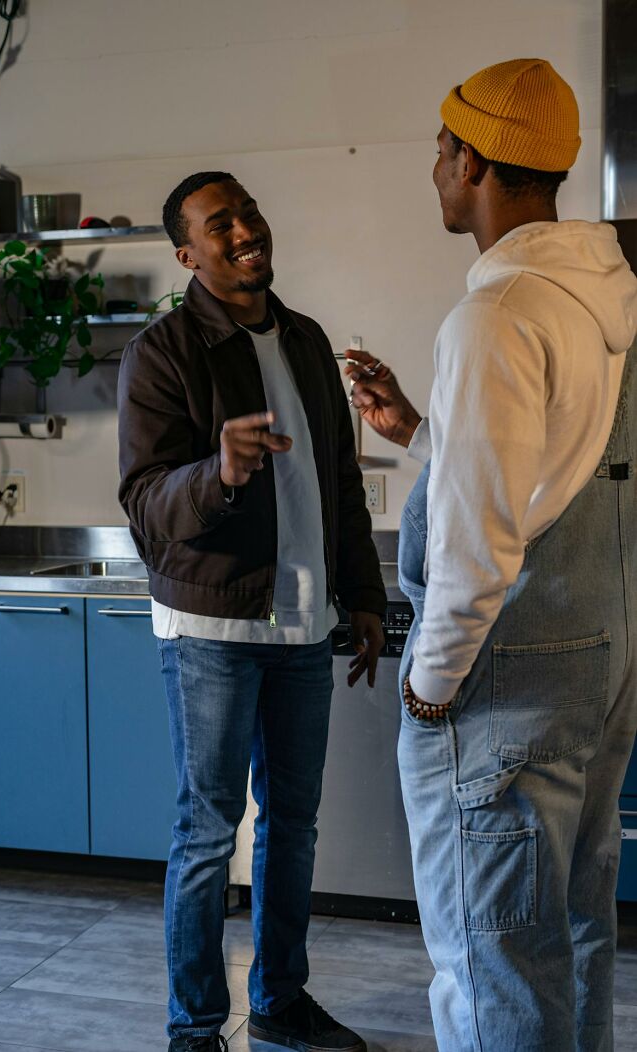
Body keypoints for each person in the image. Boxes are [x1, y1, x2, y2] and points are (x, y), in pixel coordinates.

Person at [348, 58, 637, 1051]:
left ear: (468, 161)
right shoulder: (605, 293)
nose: (434, 169)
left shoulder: (496, 312)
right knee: (574, 929)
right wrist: (421, 432)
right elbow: (555, 467)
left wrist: (428, 694)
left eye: (439, 151)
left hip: (503, 687)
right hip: (599, 665)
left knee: (491, 959)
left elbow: (477, 544)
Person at [117, 171, 386, 1052]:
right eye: (218, 223)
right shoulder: (162, 352)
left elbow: (337, 481)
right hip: (213, 633)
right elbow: (145, 501)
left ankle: (277, 1002)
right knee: (206, 835)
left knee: (294, 827)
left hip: (304, 625)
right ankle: (195, 1030)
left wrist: (365, 596)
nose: (244, 231)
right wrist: (218, 473)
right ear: (187, 253)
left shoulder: (304, 339)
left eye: (249, 211)